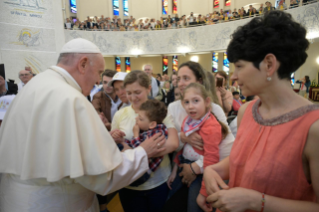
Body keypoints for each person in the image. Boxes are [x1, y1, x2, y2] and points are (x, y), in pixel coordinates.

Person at [0, 38, 166, 212]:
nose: (97, 81)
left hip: (14, 199)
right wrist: (142, 152)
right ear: (83, 64)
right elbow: (103, 176)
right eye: (98, 72)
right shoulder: (71, 98)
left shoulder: (34, 85)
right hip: (56, 202)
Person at [200, 11, 319, 212]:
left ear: (269, 64)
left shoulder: (313, 127)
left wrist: (258, 202)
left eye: (239, 66)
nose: (234, 77)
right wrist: (213, 170)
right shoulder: (246, 112)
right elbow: (246, 160)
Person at [165, 61, 234, 210]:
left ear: (200, 81)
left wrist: (195, 168)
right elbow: (169, 140)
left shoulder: (213, 110)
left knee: (195, 205)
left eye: (186, 78)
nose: (181, 83)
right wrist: (183, 137)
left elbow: (225, 147)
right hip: (181, 163)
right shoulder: (173, 107)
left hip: (207, 168)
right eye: (178, 78)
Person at [111, 70, 179, 212]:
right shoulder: (120, 114)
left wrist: (135, 152)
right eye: (129, 93)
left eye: (137, 92)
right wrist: (114, 138)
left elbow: (173, 143)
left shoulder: (159, 111)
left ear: (148, 89)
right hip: (129, 183)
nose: (133, 97)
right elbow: (114, 147)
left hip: (159, 182)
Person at [124, 99, 168, 187]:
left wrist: (136, 134)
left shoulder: (156, 135)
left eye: (140, 118)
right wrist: (122, 141)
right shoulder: (150, 130)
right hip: (139, 169)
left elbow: (140, 151)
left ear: (152, 124)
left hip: (142, 174)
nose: (136, 119)